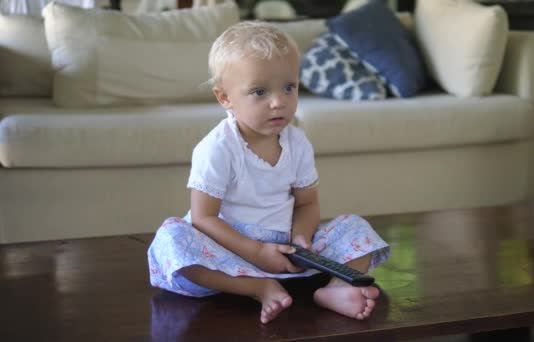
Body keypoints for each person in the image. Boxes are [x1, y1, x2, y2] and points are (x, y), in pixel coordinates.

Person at [147, 21, 390, 324]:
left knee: (356, 227)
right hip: (231, 249)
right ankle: (256, 287)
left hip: (287, 247)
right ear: (225, 98)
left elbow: (306, 203)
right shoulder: (218, 148)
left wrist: (301, 239)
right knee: (171, 239)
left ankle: (337, 288)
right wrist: (256, 252)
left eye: (289, 87)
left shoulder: (297, 142)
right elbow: (203, 218)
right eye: (260, 92)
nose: (279, 102)